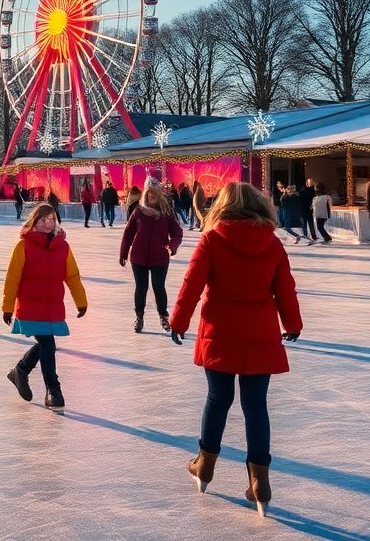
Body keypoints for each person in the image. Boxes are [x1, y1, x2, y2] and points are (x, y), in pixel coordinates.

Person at [168, 182, 302, 516]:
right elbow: (286, 288)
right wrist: (293, 324)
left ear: (223, 207)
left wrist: (179, 321)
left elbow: (192, 284)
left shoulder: (212, 239)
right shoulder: (271, 244)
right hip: (260, 333)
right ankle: (260, 482)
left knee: (218, 399)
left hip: (220, 331)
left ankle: (206, 464)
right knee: (256, 406)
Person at [1, 203, 88, 411]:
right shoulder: (23, 247)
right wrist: (8, 306)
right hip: (31, 306)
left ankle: (20, 371)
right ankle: (53, 389)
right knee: (48, 345)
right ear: (34, 222)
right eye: (43, 220)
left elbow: (72, 276)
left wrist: (81, 301)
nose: (48, 224)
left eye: (51, 220)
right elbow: (12, 278)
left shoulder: (63, 247)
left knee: (46, 345)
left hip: (53, 306)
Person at [120, 180, 183, 334]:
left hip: (159, 256)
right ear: (146, 194)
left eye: (154, 193)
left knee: (158, 286)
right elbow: (128, 232)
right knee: (141, 287)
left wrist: (172, 245)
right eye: (149, 192)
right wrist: (123, 252)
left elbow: (177, 232)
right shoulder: (139, 211)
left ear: (159, 195)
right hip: (139, 256)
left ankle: (163, 316)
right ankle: (139, 317)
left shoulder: (166, 212)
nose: (151, 196)